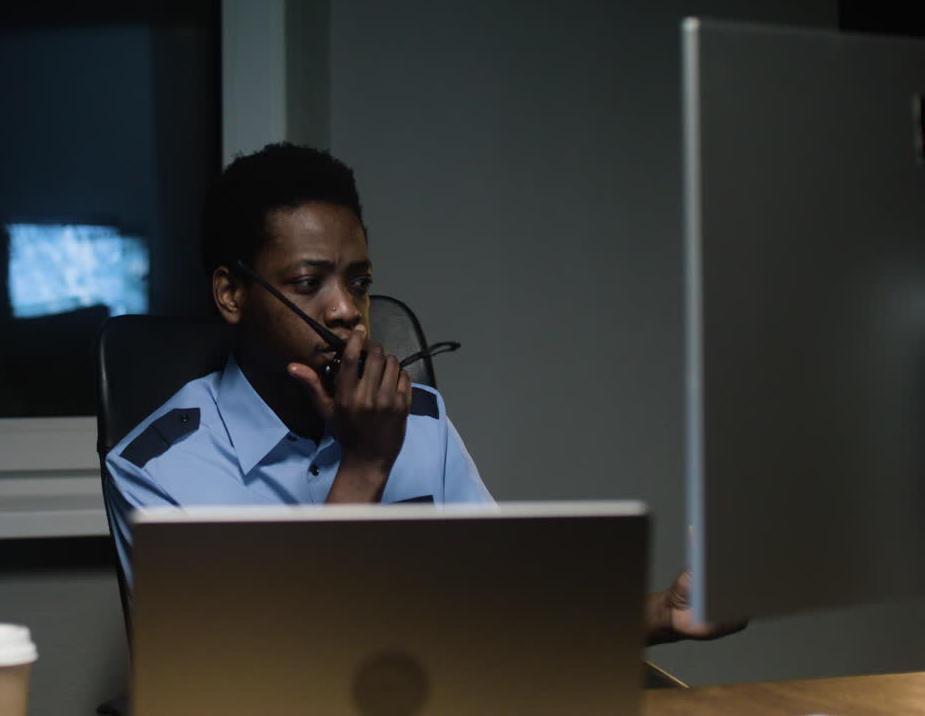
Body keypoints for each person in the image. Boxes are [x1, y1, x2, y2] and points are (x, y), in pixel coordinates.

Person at [104, 142, 743, 645]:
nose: (346, 311)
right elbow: (245, 685)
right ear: (231, 294)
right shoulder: (157, 471)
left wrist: (665, 612)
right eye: (307, 283)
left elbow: (505, 613)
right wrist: (363, 468)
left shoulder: (419, 420)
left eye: (358, 283)